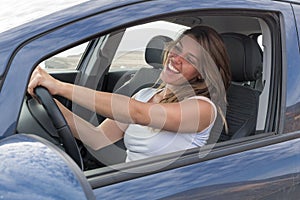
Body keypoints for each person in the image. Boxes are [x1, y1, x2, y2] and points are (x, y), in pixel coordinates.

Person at [28, 25, 231, 162]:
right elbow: (97, 138)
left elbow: (138, 114)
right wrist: (50, 101)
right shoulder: (144, 95)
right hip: (129, 186)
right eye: (177, 48)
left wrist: (60, 86)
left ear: (201, 74)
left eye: (190, 59)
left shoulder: (203, 109)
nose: (176, 58)